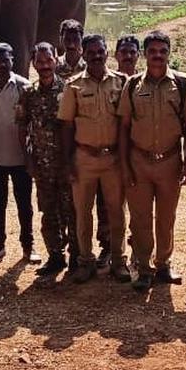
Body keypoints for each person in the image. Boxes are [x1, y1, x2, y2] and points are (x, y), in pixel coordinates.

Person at [117, 31, 186, 290]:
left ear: (168, 54)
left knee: (166, 217)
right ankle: (143, 266)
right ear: (144, 55)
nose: (158, 56)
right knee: (140, 218)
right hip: (139, 161)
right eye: (153, 52)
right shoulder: (132, 86)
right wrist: (125, 165)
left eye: (163, 51)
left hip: (170, 161)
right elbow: (124, 127)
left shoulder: (183, 84)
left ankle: (163, 264)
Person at [58, 34, 129, 283]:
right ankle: (85, 261)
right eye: (91, 53)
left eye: (100, 52)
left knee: (116, 213)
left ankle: (119, 261)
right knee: (83, 214)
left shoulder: (122, 83)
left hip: (113, 160)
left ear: (107, 53)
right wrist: (68, 162)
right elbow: (66, 126)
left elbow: (126, 124)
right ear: (84, 55)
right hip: (84, 158)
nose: (97, 56)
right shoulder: (73, 85)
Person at [19, 42, 78, 278]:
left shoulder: (68, 90)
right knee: (48, 211)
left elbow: (73, 127)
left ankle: (76, 255)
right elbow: (22, 126)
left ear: (56, 60)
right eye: (40, 62)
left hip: (65, 162)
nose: (44, 66)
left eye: (48, 60)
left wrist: (70, 160)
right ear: (34, 64)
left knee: (71, 211)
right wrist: (27, 158)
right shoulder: (28, 93)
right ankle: (55, 256)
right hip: (42, 165)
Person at [0, 43, 38, 264]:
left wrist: (31, 155)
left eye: (6, 60)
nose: (2, 65)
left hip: (20, 157)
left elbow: (33, 122)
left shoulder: (24, 87)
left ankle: (28, 246)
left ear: (13, 60)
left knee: (25, 205)